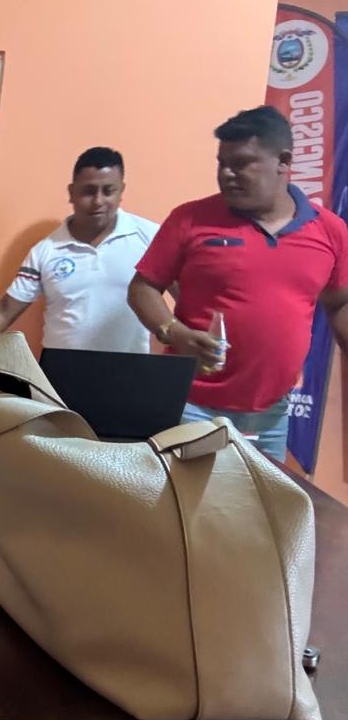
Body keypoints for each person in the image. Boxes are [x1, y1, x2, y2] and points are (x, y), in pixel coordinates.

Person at [128, 106, 348, 462]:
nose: (226, 174)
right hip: (192, 405)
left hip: (273, 414)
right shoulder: (190, 219)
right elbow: (142, 288)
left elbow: (339, 303)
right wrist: (174, 332)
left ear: (283, 162)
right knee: (190, 496)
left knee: (260, 498)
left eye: (241, 163)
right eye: (221, 163)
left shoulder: (329, 230)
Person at [0, 147, 159, 352]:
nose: (98, 201)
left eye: (108, 191)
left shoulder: (152, 238)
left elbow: (184, 296)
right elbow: (4, 311)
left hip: (130, 368)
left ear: (121, 191)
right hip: (60, 368)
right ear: (71, 192)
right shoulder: (45, 251)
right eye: (88, 191)